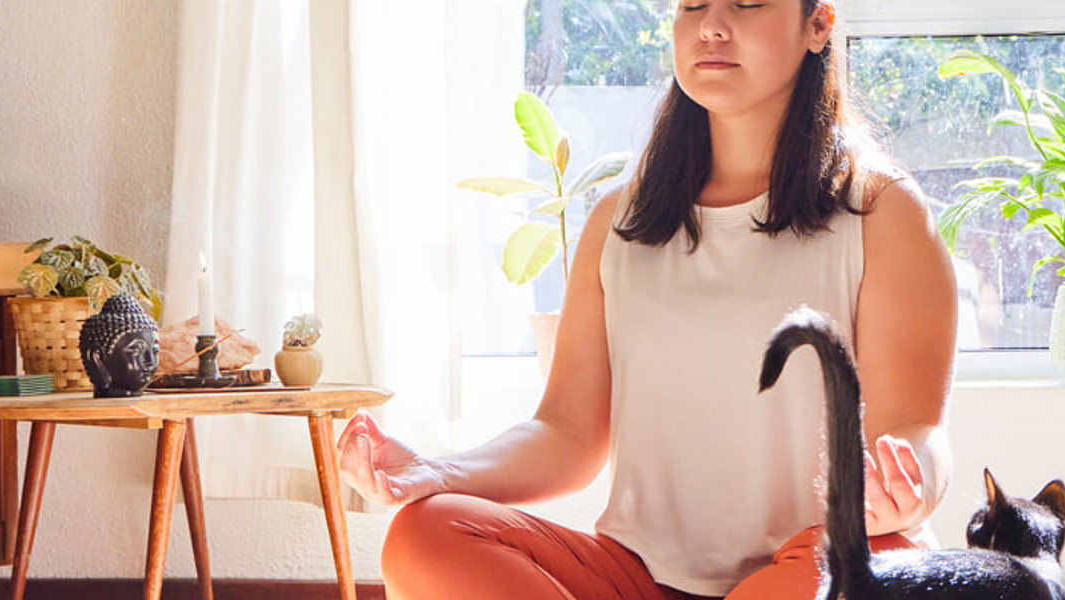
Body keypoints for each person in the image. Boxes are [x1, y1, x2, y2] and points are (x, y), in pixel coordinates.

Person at [336, 1, 957, 597]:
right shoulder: (620, 220)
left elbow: (914, 429)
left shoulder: (880, 210)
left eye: (746, 4)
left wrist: (913, 488)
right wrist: (436, 473)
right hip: (639, 578)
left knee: (873, 573)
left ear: (817, 24)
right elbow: (568, 434)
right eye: (691, 6)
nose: (711, 27)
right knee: (427, 534)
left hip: (812, 565)